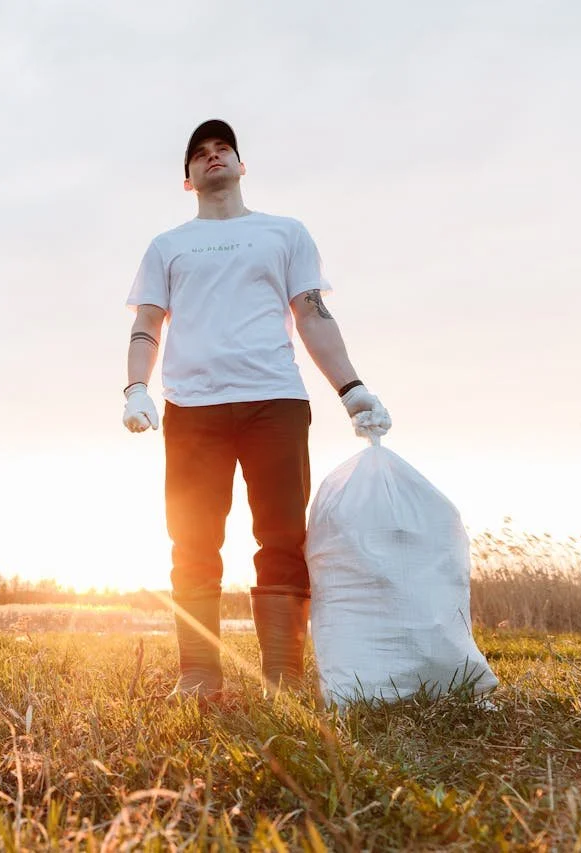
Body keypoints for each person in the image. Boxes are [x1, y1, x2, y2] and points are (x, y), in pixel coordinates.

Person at [122, 120, 391, 699]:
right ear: (188, 179)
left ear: (242, 166)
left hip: (276, 401)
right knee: (192, 542)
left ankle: (282, 678)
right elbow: (147, 323)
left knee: (282, 537)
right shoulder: (167, 246)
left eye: (223, 149)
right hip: (195, 408)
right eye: (200, 153)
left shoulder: (283, 233)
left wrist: (352, 389)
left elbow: (312, 314)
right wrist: (135, 389)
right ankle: (198, 674)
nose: (212, 157)